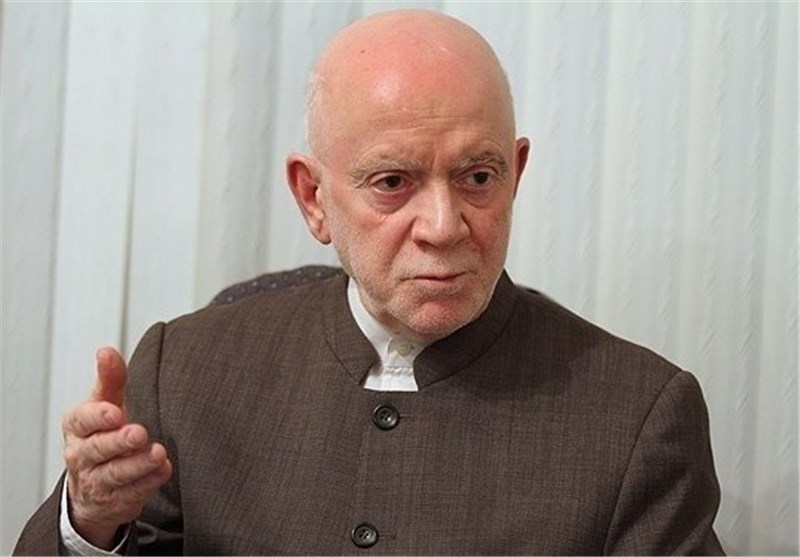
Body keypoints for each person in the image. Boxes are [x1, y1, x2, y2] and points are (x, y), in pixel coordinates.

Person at [14, 9, 724, 556]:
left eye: (478, 177)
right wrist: (91, 522)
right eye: (392, 182)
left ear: (517, 173)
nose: (444, 226)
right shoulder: (187, 370)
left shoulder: (639, 415)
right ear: (314, 198)